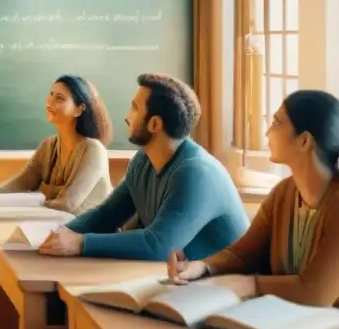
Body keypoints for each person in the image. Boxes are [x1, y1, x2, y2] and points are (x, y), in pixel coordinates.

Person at [168, 90, 339, 325]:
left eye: (276, 123)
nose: (267, 131)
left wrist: (250, 284)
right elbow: (242, 253)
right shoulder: (284, 193)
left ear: (304, 141)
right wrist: (202, 267)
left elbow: (314, 293)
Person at [39, 73, 248, 261]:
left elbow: (159, 245)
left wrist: (80, 243)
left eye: (135, 108)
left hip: (225, 291)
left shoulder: (196, 172)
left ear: (154, 124)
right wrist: (58, 233)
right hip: (183, 282)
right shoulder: (143, 160)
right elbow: (107, 215)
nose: (127, 116)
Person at [0, 75, 113, 215]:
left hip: (93, 237)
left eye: (59, 98)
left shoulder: (93, 150)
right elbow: (18, 185)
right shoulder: (49, 145)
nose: (50, 102)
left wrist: (7, 205)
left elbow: (67, 205)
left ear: (79, 110)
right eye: (51, 94)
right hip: (57, 229)